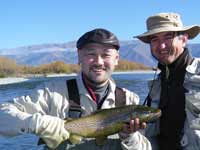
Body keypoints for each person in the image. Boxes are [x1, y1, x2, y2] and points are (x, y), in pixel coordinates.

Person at [0, 28, 151, 150]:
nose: (98, 62)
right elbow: (3, 116)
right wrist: (39, 123)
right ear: (79, 56)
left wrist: (129, 137)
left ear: (116, 59)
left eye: (106, 55)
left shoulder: (129, 99)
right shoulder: (52, 93)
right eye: (91, 54)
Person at [134, 12, 200, 150]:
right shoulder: (157, 84)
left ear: (184, 39)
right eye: (154, 39)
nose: (161, 46)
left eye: (168, 37)